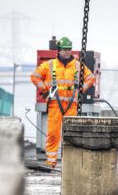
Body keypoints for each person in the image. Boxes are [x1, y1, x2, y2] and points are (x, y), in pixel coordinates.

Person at [30, 37, 95, 167]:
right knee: (53, 134)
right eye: (64, 49)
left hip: (72, 105)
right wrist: (44, 89)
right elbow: (35, 76)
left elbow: (90, 78)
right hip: (55, 105)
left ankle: (69, 162)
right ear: (58, 50)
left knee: (71, 134)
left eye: (68, 49)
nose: (66, 52)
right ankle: (51, 162)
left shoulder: (78, 65)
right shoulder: (49, 65)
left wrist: (80, 90)